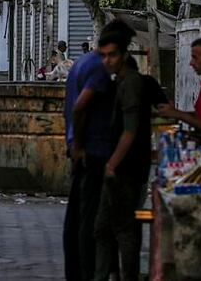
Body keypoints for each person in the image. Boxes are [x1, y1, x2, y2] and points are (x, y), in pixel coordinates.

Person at [63, 20, 134, 281]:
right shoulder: (101, 69)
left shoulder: (82, 63)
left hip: (80, 146)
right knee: (92, 220)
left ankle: (78, 271)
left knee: (78, 217)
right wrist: (81, 147)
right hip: (94, 150)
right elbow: (80, 107)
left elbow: (71, 106)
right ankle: (88, 272)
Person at [93, 26, 153, 281]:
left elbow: (129, 131)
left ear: (124, 54)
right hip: (123, 168)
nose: (107, 61)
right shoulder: (121, 82)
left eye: (112, 55)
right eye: (103, 56)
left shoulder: (131, 84)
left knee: (123, 229)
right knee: (105, 228)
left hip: (126, 169)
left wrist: (111, 165)